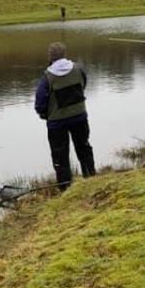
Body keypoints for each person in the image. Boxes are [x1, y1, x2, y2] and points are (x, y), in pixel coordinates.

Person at [34, 41, 96, 190]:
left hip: (57, 124)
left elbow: (40, 104)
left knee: (60, 156)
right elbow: (83, 85)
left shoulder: (47, 77)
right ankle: (91, 179)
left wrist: (44, 114)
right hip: (79, 117)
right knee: (84, 148)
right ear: (64, 54)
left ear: (50, 57)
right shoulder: (78, 69)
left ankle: (65, 188)